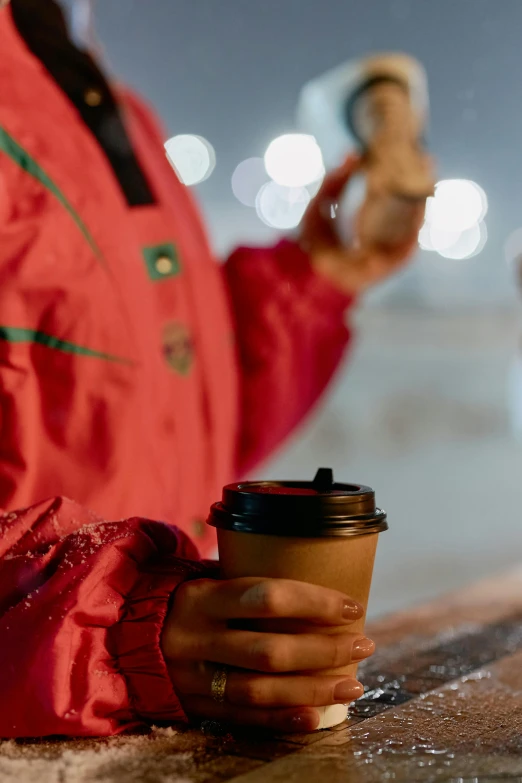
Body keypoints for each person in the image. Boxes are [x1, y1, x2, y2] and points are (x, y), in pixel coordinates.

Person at [0, 0, 425, 737]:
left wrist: (314, 277)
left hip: (145, 732)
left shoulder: (112, 103)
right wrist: (111, 630)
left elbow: (165, 413)